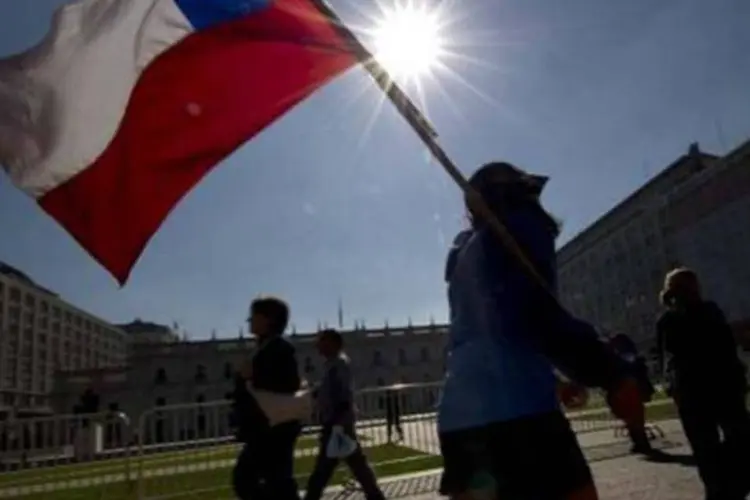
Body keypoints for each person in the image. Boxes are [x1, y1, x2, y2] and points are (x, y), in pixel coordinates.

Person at [439, 162, 644, 500]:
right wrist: (609, 372)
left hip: (460, 419)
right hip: (520, 415)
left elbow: (490, 329)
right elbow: (535, 310)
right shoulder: (519, 223)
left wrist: (551, 377)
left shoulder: (464, 254)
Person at [657, 268, 750, 500]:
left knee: (706, 446)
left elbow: (667, 359)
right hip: (720, 386)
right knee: (736, 438)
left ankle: (720, 488)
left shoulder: (669, 319)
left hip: (693, 390)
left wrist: (672, 385)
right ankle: (731, 485)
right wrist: (739, 377)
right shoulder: (707, 311)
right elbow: (726, 347)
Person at [232, 296, 302, 500]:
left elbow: (289, 384)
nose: (249, 321)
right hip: (263, 427)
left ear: (268, 320)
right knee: (277, 483)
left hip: (273, 428)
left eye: (253, 316)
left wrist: (252, 376)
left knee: (247, 479)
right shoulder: (262, 348)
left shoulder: (281, 348)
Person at [303, 329, 385, 500]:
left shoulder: (338, 364)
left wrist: (336, 422)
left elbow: (343, 393)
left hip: (337, 423)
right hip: (338, 422)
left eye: (321, 342)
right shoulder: (332, 365)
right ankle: (375, 496)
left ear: (332, 343)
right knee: (357, 466)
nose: (317, 346)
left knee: (323, 471)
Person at [608, 333, 655, 454]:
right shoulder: (630, 357)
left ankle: (641, 443)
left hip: (629, 391)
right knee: (635, 418)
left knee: (633, 419)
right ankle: (640, 443)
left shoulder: (623, 358)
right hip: (632, 391)